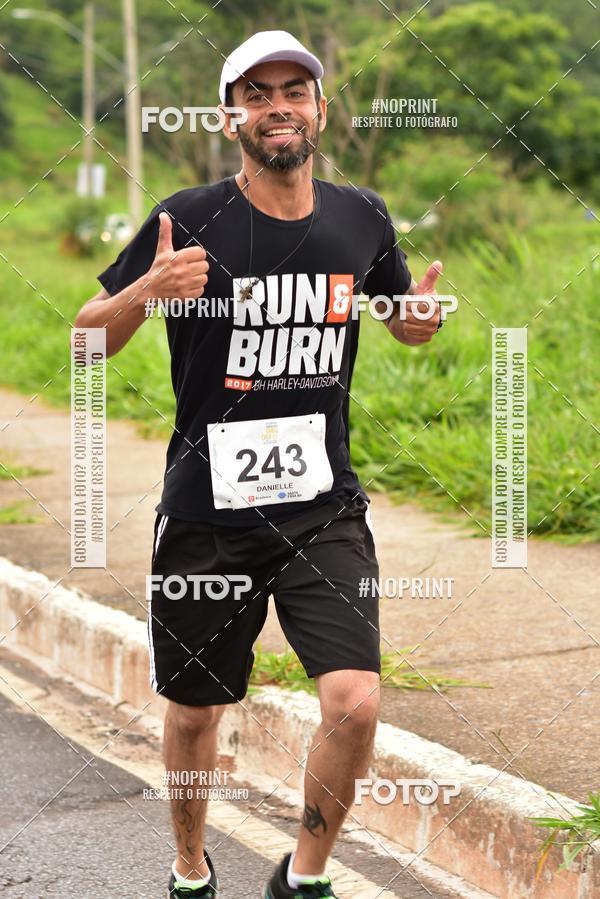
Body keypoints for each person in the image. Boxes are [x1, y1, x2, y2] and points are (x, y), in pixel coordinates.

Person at [75, 29, 444, 899]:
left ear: (321, 109)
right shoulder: (188, 217)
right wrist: (142, 292)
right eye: (257, 93)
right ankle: (192, 867)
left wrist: (414, 321)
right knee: (199, 710)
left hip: (324, 507)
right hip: (207, 513)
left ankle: (303, 878)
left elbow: (394, 308)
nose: (278, 106)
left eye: (294, 90)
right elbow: (86, 340)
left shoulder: (362, 216)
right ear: (229, 115)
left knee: (354, 701)